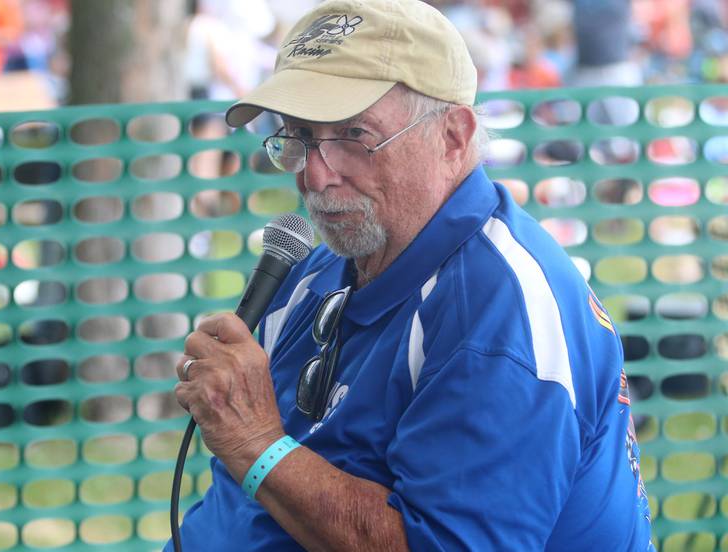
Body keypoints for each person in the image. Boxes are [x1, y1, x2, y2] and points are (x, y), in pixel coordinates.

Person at [170, 0, 654, 550]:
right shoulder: (318, 269)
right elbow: (235, 505)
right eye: (298, 135)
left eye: (354, 135)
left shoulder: (500, 311)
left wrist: (256, 444)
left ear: (452, 136)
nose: (316, 174)